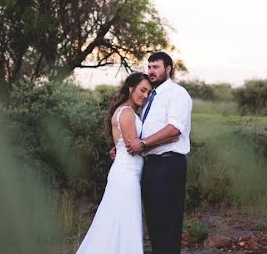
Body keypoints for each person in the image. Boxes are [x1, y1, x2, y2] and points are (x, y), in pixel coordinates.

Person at [75, 72, 153, 254]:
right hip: (126, 176)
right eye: (143, 90)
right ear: (131, 88)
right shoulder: (126, 113)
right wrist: (159, 144)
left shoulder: (126, 111)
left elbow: (125, 145)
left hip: (126, 173)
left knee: (117, 223)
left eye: (149, 92)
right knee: (124, 224)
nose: (145, 95)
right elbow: (134, 147)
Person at [125, 51, 193, 254]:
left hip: (169, 164)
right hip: (150, 165)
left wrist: (143, 144)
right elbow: (144, 130)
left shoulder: (177, 93)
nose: (151, 71)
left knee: (168, 223)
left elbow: (174, 130)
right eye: (149, 67)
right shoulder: (149, 98)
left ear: (168, 69)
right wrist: (125, 147)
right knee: (154, 222)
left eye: (156, 67)